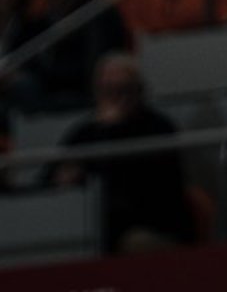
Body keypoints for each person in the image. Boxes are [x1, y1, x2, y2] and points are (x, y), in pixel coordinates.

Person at [58, 51, 193, 250]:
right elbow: (54, 175)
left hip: (149, 225)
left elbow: (154, 191)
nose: (117, 98)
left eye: (124, 89)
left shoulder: (158, 127)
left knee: (134, 242)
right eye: (108, 90)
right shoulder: (84, 132)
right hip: (85, 226)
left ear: (139, 90)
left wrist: (112, 130)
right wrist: (64, 177)